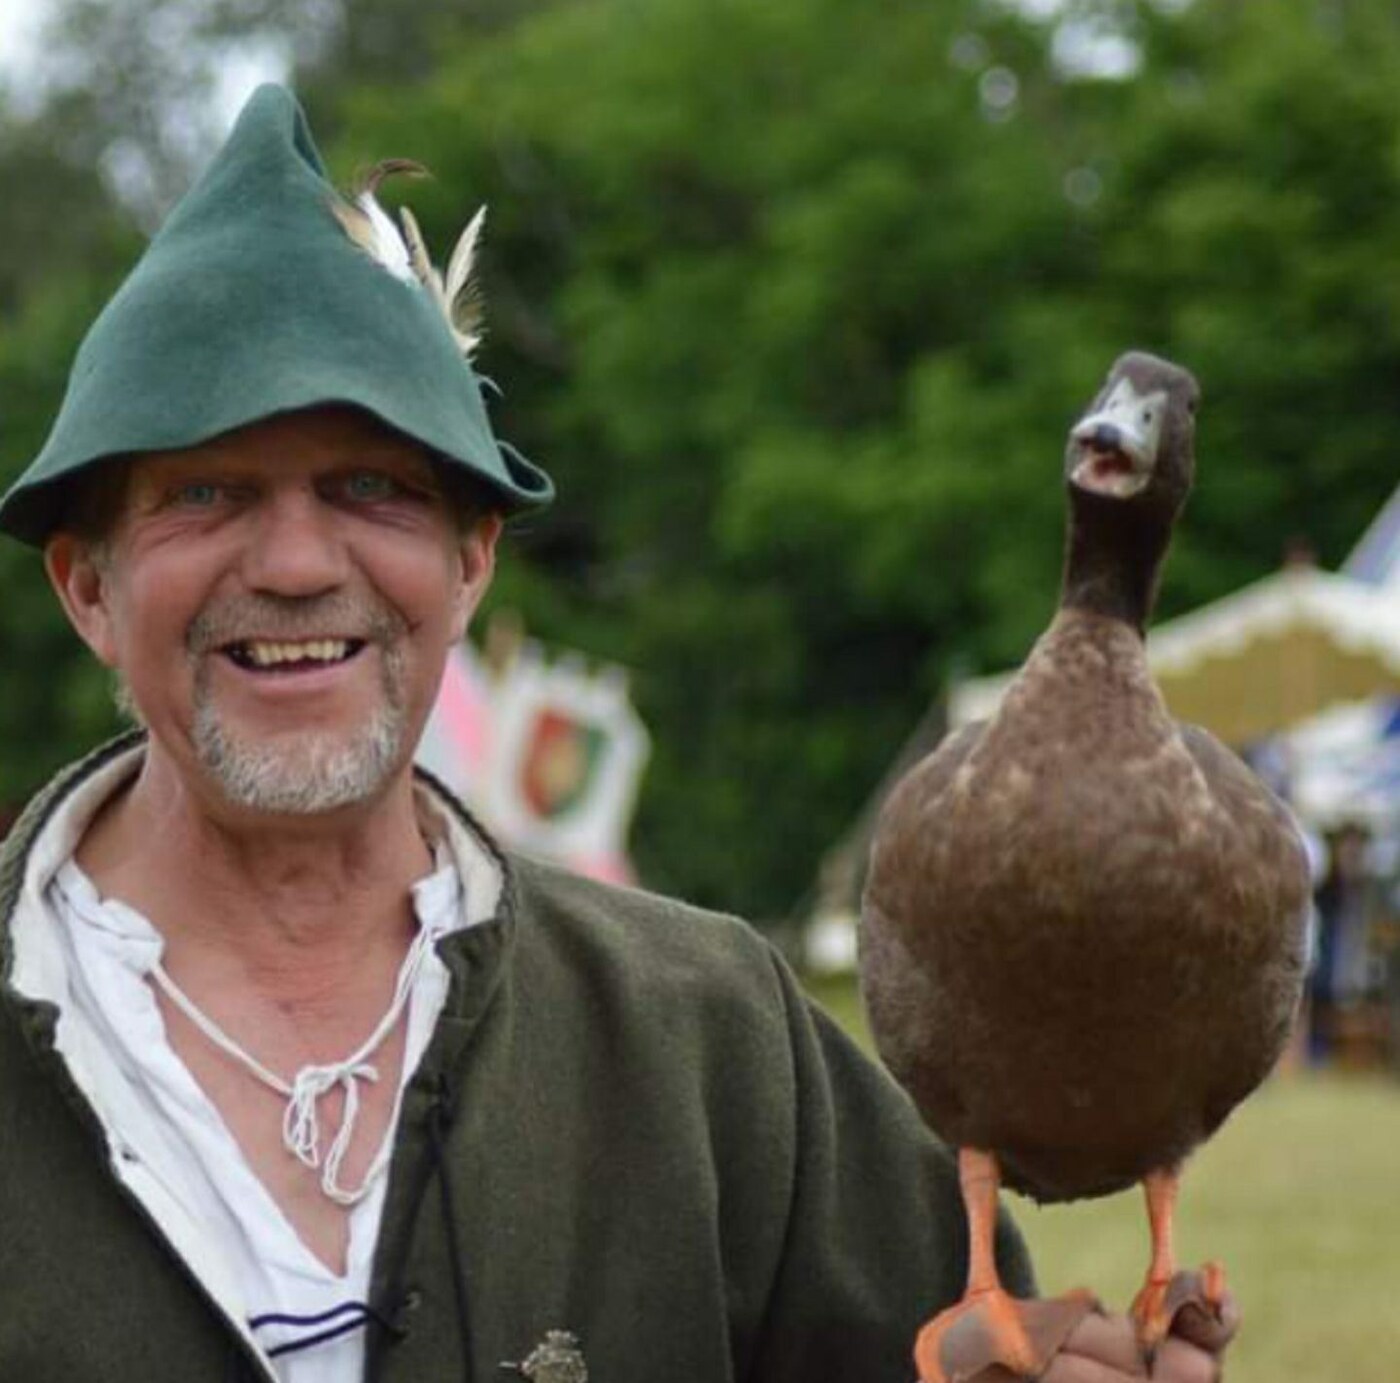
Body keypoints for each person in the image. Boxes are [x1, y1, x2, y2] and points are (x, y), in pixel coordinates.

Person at [0, 85, 1235, 1382]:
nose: (301, 561)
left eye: (372, 488)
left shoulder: (711, 1042)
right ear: (87, 585)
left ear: (471, 563)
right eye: (207, 492)